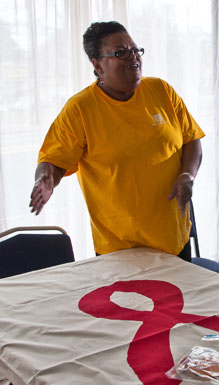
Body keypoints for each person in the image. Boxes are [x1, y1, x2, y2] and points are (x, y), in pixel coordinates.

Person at [29, 21, 204, 261]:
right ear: (98, 64)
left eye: (134, 50)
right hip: (119, 248)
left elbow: (191, 139)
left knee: (181, 299)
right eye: (120, 53)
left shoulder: (161, 91)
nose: (132, 57)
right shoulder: (80, 109)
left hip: (173, 239)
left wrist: (188, 175)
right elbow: (54, 161)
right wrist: (46, 178)